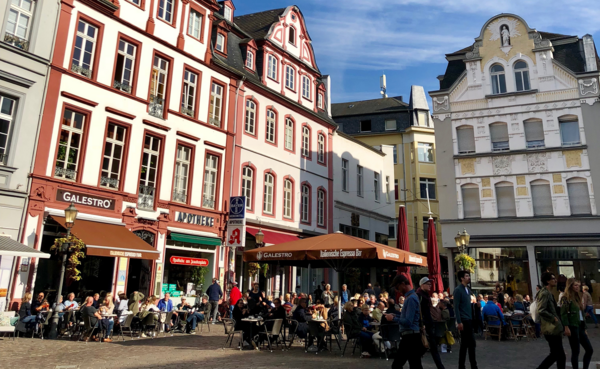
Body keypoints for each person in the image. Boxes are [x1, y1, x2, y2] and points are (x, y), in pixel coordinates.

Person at [384, 274, 423, 369]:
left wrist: (393, 319)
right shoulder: (411, 297)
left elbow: (408, 321)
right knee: (415, 365)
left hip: (410, 336)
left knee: (397, 365)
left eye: (397, 288)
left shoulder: (411, 299)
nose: (397, 290)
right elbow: (409, 317)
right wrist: (397, 316)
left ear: (402, 284)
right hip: (412, 336)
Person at [560, 278, 593, 369]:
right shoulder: (565, 298)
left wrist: (585, 328)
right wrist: (566, 327)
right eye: (575, 285)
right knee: (576, 351)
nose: (577, 287)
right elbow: (563, 313)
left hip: (580, 325)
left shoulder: (578, 296)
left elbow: (581, 313)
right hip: (572, 326)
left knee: (589, 349)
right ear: (570, 286)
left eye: (578, 285)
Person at [536, 272, 566, 369]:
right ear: (547, 281)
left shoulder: (548, 293)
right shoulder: (544, 293)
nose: (555, 280)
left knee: (556, 355)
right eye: (553, 278)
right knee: (558, 355)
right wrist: (553, 318)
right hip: (551, 328)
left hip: (552, 327)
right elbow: (541, 310)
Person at [417, 277, 445, 369]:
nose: (430, 285)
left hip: (428, 324)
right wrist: (422, 324)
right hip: (423, 325)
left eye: (430, 284)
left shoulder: (425, 295)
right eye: (428, 284)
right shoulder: (419, 295)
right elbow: (420, 311)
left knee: (429, 347)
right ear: (422, 285)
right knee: (427, 347)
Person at [453, 271, 478, 369]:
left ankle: (461, 366)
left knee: (465, 344)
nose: (469, 277)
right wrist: (459, 321)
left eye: (468, 276)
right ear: (461, 278)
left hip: (469, 319)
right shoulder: (458, 290)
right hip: (464, 320)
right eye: (467, 276)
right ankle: (473, 366)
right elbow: (456, 307)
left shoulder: (467, 289)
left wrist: (475, 305)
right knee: (471, 343)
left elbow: (466, 305)